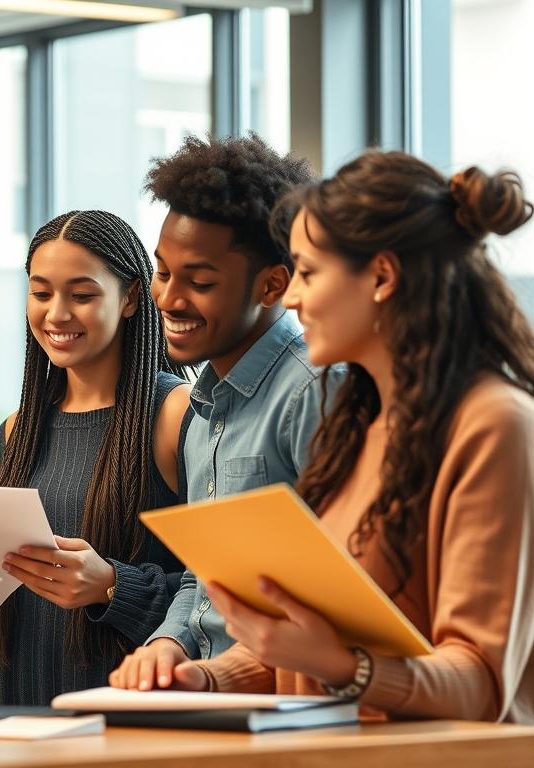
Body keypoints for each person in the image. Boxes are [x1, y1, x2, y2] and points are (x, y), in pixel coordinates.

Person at [153, 151, 534, 724]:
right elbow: (317, 638)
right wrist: (204, 677)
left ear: (381, 277)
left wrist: (346, 667)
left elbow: (480, 683)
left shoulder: (498, 427)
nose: (293, 298)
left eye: (308, 273)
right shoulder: (362, 421)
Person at [110, 135, 325, 692]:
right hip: (211, 698)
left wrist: (210, 675)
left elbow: (336, 594)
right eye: (162, 272)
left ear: (274, 283)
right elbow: (203, 579)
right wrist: (167, 642)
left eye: (200, 282)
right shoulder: (201, 407)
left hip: (287, 711)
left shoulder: (313, 394)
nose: (169, 299)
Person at [0, 210, 191, 705]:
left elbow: (216, 592)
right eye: (41, 293)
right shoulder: (14, 432)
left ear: (132, 297)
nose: (57, 314)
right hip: (10, 710)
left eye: (83, 295)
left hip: (125, 713)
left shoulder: (176, 415)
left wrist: (114, 586)